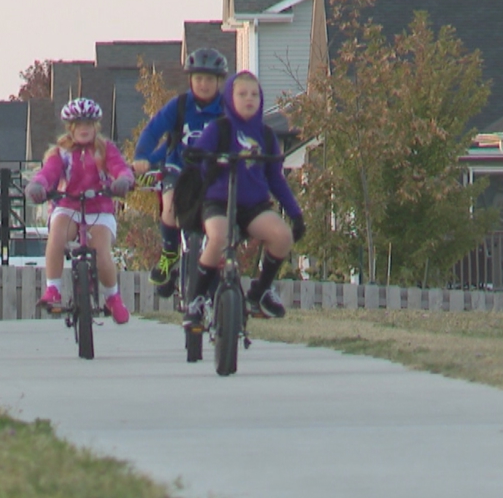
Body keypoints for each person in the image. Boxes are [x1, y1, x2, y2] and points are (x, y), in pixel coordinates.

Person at [183, 71, 305, 328]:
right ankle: (196, 299)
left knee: (282, 236)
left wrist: (295, 214)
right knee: (219, 237)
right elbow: (197, 160)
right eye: (242, 94)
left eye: (254, 94)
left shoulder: (267, 136)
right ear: (230, 97)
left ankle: (259, 292)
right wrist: (209, 163)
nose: (249, 99)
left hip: (254, 206)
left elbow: (276, 179)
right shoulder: (219, 129)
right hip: (218, 202)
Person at [25, 98, 135, 324]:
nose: (84, 128)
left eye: (89, 124)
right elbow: (48, 173)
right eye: (78, 124)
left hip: (99, 208)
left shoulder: (106, 150)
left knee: (102, 251)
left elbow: (120, 168)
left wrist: (123, 180)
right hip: (69, 206)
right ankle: (53, 289)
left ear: (96, 127)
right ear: (70, 128)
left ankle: (113, 297)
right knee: (56, 236)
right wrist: (38, 186)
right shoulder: (61, 153)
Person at [131, 48, 229, 297]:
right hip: (179, 169)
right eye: (198, 78)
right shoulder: (180, 105)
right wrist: (142, 157)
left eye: (209, 79)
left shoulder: (228, 108)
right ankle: (169, 252)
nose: (203, 84)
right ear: (190, 80)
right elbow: (153, 130)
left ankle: (225, 259)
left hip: (216, 173)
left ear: (220, 81)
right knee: (170, 206)